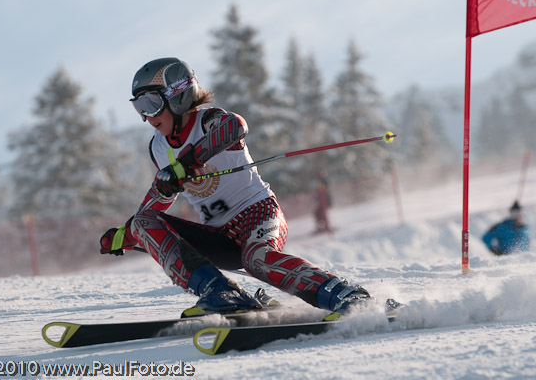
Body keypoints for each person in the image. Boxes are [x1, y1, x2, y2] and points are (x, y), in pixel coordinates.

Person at [99, 57, 370, 318]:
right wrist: (128, 232)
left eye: (151, 103)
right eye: (140, 107)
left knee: (257, 259)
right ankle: (223, 293)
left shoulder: (208, 121)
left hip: (258, 214)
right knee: (142, 221)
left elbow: (235, 127)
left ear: (177, 95)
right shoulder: (158, 147)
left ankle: (343, 295)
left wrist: (188, 162)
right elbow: (161, 193)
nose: (147, 116)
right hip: (218, 235)